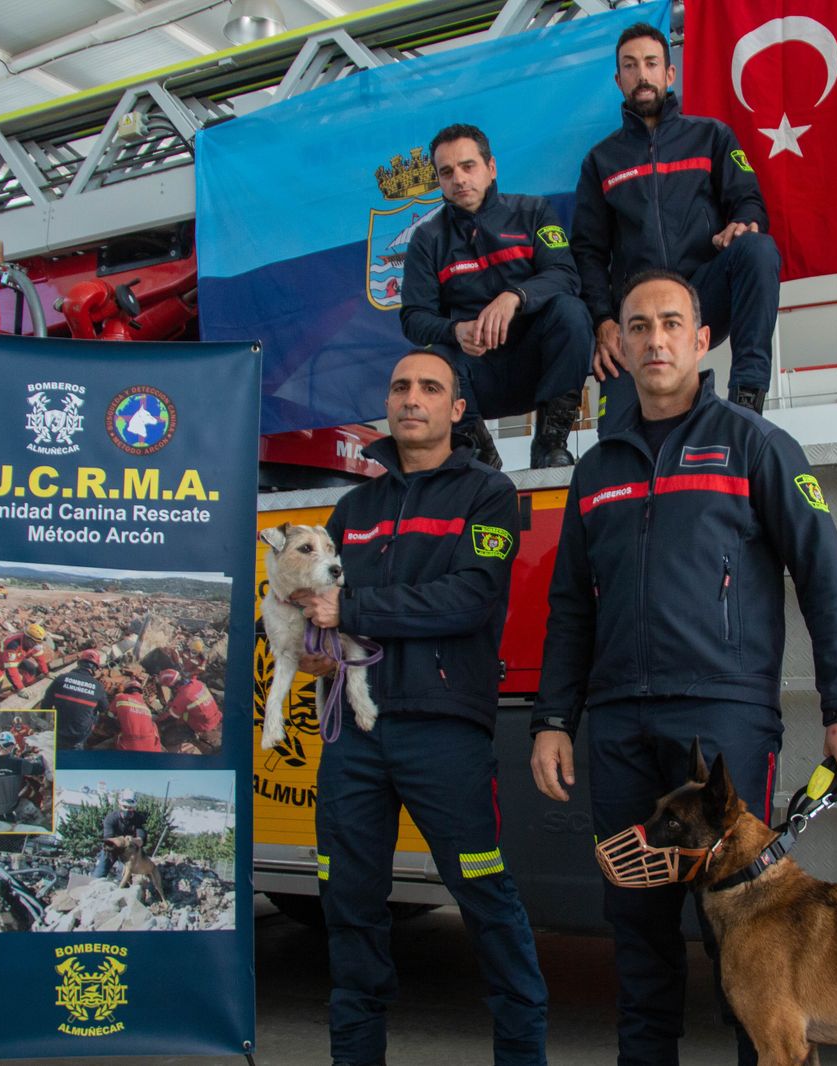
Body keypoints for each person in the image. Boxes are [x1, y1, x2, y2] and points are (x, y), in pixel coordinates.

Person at [528, 270, 837, 1066]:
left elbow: (823, 577)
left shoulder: (756, 445)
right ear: (618, 346)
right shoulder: (596, 470)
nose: (655, 340)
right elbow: (571, 608)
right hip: (619, 723)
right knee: (636, 924)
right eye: (638, 326)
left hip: (722, 718)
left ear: (701, 339)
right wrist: (553, 719)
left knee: (749, 933)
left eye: (670, 324)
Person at [291, 350, 547, 1066]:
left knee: (486, 900)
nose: (412, 398)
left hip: (444, 734)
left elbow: (469, 599)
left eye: (430, 388)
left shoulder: (488, 494)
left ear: (456, 410)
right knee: (349, 909)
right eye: (401, 387)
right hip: (354, 734)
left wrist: (351, 610)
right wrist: (311, 644)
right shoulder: (353, 509)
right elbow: (313, 603)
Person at [573, 22, 781, 426]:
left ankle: (747, 400)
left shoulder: (712, 137)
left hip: (703, 296)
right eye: (630, 66)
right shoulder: (600, 161)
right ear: (618, 80)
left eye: (651, 63)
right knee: (616, 438)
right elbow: (588, 252)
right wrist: (604, 321)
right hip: (638, 309)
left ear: (670, 74)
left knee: (758, 248)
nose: (642, 74)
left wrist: (744, 222)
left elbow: (749, 201)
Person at [401, 122, 592, 469]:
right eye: (447, 172)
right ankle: (481, 459)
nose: (459, 179)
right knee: (435, 357)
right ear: (439, 181)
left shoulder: (533, 212)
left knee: (571, 312)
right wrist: (455, 331)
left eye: (468, 166)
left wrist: (515, 296)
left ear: (491, 168)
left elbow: (565, 276)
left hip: (538, 365)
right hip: (475, 375)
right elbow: (414, 318)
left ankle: (550, 446)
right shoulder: (427, 239)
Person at [42, 648, 109, 750]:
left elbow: (46, 704)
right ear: (95, 668)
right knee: (96, 711)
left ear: (79, 663)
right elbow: (104, 708)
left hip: (57, 731)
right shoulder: (98, 686)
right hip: (78, 736)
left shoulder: (61, 678)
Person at [0, 731, 48, 826]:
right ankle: (12, 821)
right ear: (11, 746)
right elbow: (39, 769)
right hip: (12, 805)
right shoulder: (17, 763)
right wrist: (39, 759)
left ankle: (2, 820)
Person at [94, 790, 148, 880]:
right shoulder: (111, 818)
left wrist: (132, 840)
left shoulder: (139, 819)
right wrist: (123, 840)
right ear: (120, 805)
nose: (127, 810)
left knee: (127, 879)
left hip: (130, 851)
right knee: (99, 874)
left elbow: (141, 840)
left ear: (134, 807)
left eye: (130, 808)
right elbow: (108, 839)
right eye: (125, 807)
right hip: (112, 849)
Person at [157, 669, 222, 745]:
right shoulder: (196, 683)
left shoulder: (184, 696)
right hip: (214, 715)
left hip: (203, 725)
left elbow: (171, 715)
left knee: (167, 737)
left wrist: (157, 720)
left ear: (173, 685)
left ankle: (192, 735)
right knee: (184, 712)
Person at [112, 679, 164, 752]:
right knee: (153, 724)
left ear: (126, 690)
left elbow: (110, 713)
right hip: (153, 749)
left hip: (129, 748)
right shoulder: (145, 706)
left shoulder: (120, 697)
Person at [2, 622, 51, 690]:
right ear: (28, 638)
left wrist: (46, 673)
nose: (36, 645)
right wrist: (20, 688)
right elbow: (11, 669)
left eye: (38, 642)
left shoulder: (32, 643)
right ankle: (17, 689)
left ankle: (27, 685)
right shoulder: (13, 645)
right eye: (35, 642)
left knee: (30, 668)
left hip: (15, 657)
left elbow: (40, 659)